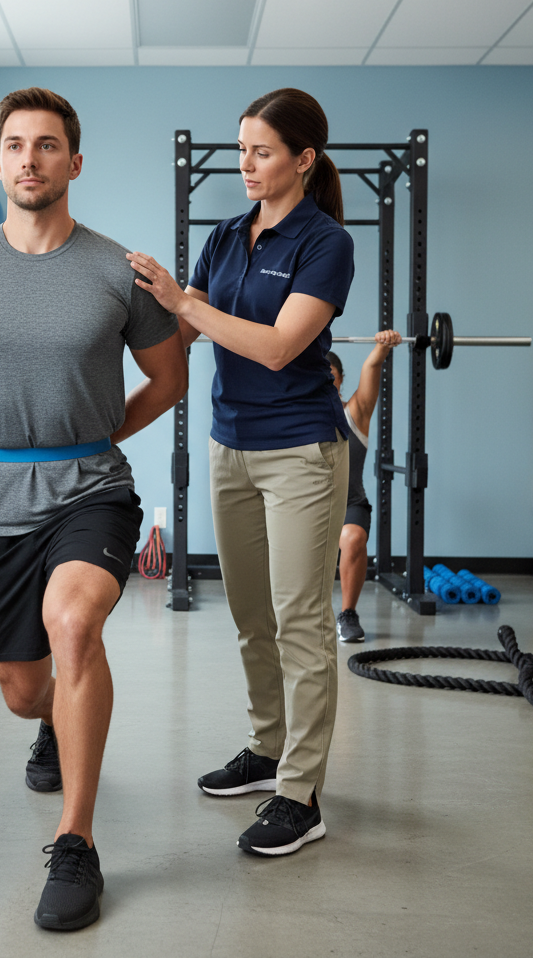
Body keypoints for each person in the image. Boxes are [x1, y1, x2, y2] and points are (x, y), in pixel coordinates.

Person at [0, 87, 187, 931]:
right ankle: (50, 727)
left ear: (73, 161)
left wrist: (97, 434)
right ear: (0, 159)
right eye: (16, 145)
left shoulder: (118, 272)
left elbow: (168, 381)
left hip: (90, 492)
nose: (30, 158)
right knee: (26, 692)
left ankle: (77, 844)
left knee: (76, 627)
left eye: (48, 145)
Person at [127, 87, 353, 858]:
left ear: (303, 159)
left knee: (302, 622)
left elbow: (280, 346)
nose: (247, 165)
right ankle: (267, 749)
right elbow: (181, 332)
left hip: (300, 454)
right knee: (251, 617)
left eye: (262, 151)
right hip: (230, 447)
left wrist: (185, 307)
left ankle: (302, 793)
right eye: (242, 150)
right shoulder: (227, 236)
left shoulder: (325, 243)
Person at [327, 331, 402, 643]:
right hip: (305, 505)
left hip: (349, 505)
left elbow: (370, 369)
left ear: (340, 379)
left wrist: (381, 349)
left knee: (354, 537)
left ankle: (347, 614)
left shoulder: (354, 414)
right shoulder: (294, 417)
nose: (323, 378)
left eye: (329, 374)